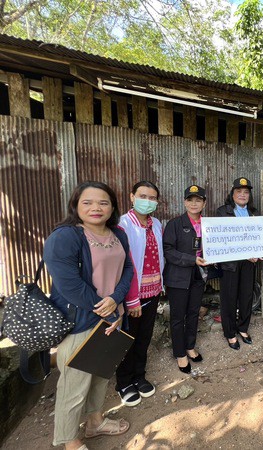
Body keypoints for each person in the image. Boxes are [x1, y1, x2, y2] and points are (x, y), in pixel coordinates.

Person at [44, 181, 133, 450]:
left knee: (100, 375)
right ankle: (70, 441)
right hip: (81, 322)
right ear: (75, 205)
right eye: (88, 202)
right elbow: (69, 285)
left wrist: (116, 300)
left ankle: (95, 422)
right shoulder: (65, 237)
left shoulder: (118, 234)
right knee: (74, 385)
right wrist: (105, 309)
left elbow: (127, 268)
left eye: (103, 202)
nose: (96, 207)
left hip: (112, 317)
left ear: (113, 208)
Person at [114, 181, 163, 406]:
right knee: (128, 339)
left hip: (153, 290)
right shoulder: (122, 225)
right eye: (143, 196)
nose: (148, 201)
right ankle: (124, 382)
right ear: (132, 197)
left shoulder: (156, 224)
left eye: (152, 198)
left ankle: (139, 376)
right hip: (132, 295)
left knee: (144, 337)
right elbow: (124, 263)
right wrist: (131, 299)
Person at [163, 185, 209, 373]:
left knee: (193, 312)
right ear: (184, 202)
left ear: (204, 203)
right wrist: (192, 259)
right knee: (178, 316)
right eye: (190, 200)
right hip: (178, 277)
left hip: (198, 275)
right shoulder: (175, 224)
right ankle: (180, 353)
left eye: (198, 200)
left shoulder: (209, 224)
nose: (194, 204)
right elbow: (168, 251)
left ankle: (190, 346)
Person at [215, 177, 259, 350]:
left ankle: (243, 327)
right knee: (229, 298)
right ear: (232, 194)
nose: (242, 195)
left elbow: (257, 237)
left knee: (246, 296)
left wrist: (257, 252)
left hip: (249, 263)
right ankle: (230, 332)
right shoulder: (222, 212)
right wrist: (244, 252)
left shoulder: (254, 213)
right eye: (239, 191)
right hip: (230, 263)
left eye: (246, 192)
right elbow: (220, 239)